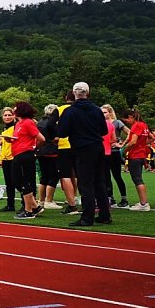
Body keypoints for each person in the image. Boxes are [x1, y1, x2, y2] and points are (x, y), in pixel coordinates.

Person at [57, 83, 112, 226]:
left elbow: (62, 132)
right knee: (99, 181)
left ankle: (87, 217)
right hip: (97, 146)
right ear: (88, 92)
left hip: (81, 148)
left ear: (74, 94)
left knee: (85, 183)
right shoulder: (96, 110)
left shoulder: (70, 111)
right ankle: (105, 215)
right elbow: (104, 131)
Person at [1, 101, 44, 220]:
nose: (14, 110)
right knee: (18, 181)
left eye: (15, 108)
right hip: (18, 154)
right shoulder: (19, 124)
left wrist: (33, 147)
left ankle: (29, 210)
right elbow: (20, 138)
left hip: (25, 154)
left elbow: (41, 138)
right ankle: (34, 206)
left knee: (21, 181)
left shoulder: (28, 122)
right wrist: (11, 141)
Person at [50, 91, 79, 215]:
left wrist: (55, 136)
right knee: (78, 174)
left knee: (65, 175)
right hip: (80, 145)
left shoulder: (60, 109)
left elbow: (50, 124)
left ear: (66, 98)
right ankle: (81, 199)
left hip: (64, 145)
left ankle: (71, 204)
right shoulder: (82, 109)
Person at [121, 109, 151, 211]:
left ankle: (143, 204)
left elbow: (133, 142)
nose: (126, 123)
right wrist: (142, 145)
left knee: (137, 179)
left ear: (130, 117)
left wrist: (125, 150)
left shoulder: (136, 125)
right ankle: (143, 202)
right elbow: (151, 138)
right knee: (138, 178)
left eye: (126, 120)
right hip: (142, 155)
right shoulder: (144, 125)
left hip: (135, 155)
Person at [101, 104, 129, 208]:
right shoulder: (101, 123)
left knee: (117, 176)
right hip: (105, 151)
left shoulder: (116, 123)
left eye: (105, 112)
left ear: (110, 112)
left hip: (114, 151)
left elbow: (129, 132)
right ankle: (110, 197)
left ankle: (124, 198)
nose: (103, 114)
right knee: (106, 177)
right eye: (102, 112)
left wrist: (122, 144)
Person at [35, 105, 61, 209]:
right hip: (52, 151)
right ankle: (49, 200)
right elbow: (55, 137)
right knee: (54, 176)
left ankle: (41, 200)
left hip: (41, 151)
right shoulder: (53, 124)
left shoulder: (40, 122)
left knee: (44, 176)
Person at [0, 107, 17, 212]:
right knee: (9, 183)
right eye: (5, 115)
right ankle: (10, 204)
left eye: (9, 115)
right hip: (6, 159)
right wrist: (1, 159)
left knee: (17, 182)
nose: (7, 117)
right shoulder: (5, 129)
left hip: (14, 157)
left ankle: (27, 204)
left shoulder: (16, 127)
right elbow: (4, 143)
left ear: (14, 116)